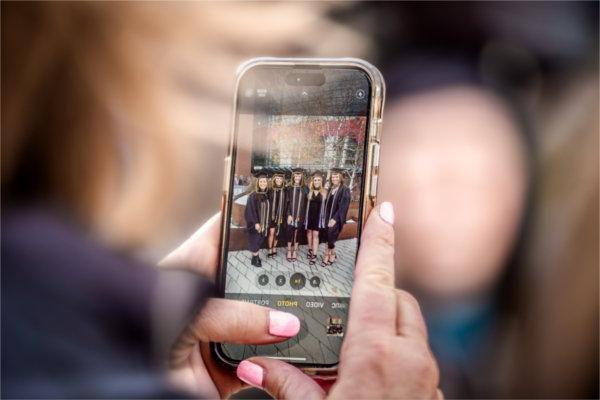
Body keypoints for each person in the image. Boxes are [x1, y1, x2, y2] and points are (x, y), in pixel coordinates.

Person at [320, 168, 351, 266]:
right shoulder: (330, 189)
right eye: (333, 177)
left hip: (336, 218)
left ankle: (329, 254)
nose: (334, 178)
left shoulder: (345, 189)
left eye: (336, 177)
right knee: (327, 236)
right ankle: (330, 253)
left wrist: (335, 219)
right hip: (327, 217)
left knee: (331, 236)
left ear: (340, 177)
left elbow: (343, 207)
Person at [244, 173, 271, 268]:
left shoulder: (266, 195)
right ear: (258, 183)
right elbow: (250, 210)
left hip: (264, 223)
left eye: (264, 182)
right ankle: (255, 259)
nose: (263, 183)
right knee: (255, 240)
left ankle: (255, 256)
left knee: (260, 239)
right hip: (256, 223)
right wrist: (256, 223)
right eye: (261, 181)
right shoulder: (253, 196)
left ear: (267, 183)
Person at [285, 168, 306, 262]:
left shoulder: (305, 188)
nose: (297, 177)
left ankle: (295, 251)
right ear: (293, 176)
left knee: (298, 233)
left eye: (299, 175)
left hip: (300, 215)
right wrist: (289, 214)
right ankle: (289, 250)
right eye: (296, 175)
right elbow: (287, 203)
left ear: (301, 176)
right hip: (290, 214)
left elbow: (308, 202)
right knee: (289, 232)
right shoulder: (289, 188)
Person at [304, 171, 325, 265]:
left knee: (315, 235)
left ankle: (314, 255)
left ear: (321, 182)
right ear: (313, 181)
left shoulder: (324, 192)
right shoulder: (309, 191)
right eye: (315, 180)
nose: (316, 182)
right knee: (309, 233)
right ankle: (310, 249)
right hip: (309, 216)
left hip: (318, 217)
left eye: (318, 180)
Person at [267, 171, 286, 259]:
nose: (279, 180)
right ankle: (270, 249)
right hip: (271, 216)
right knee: (271, 233)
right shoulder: (270, 190)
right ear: (274, 179)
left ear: (282, 180)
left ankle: (274, 248)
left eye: (280, 178)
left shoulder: (284, 190)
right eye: (277, 178)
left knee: (277, 233)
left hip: (280, 216)